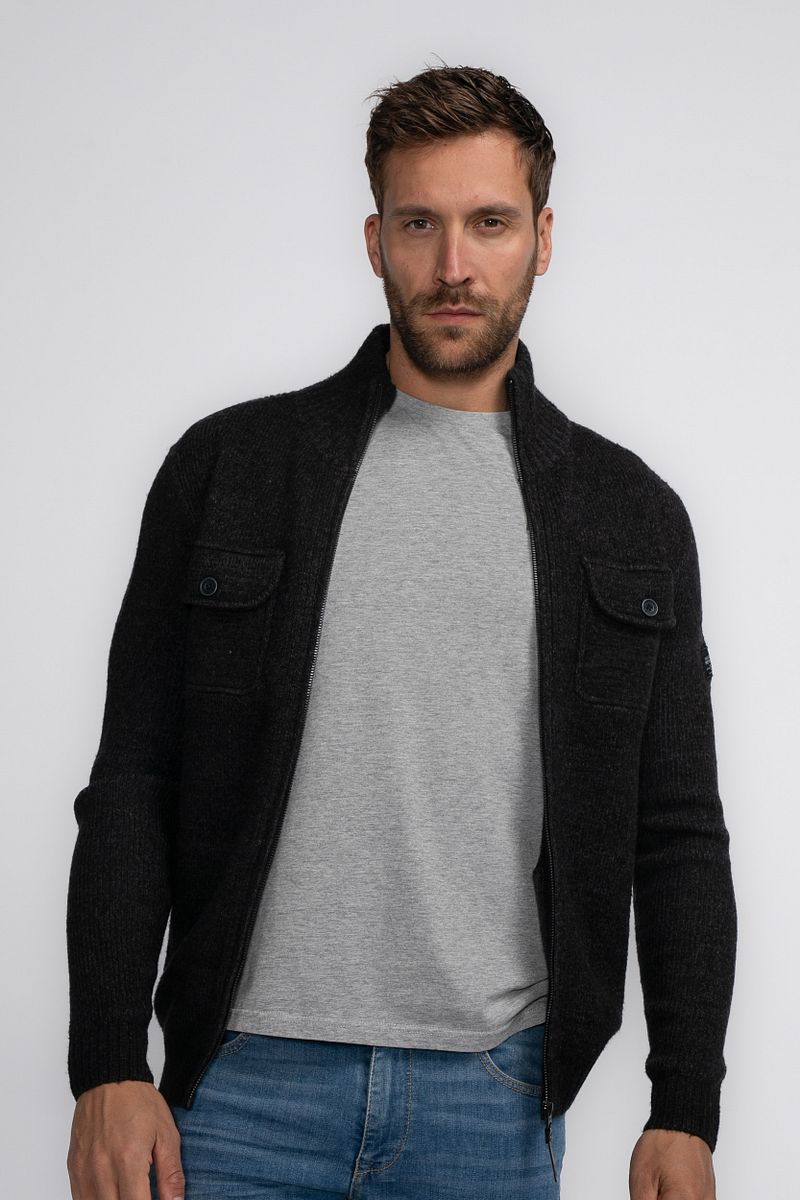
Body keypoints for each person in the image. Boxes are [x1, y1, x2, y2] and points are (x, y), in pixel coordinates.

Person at [66, 64, 736, 1200]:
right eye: (420, 224)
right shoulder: (228, 470)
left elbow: (675, 830)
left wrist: (686, 1107)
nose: (453, 266)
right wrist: (106, 1064)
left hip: (492, 1099)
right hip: (238, 1094)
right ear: (375, 240)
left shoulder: (630, 517)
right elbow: (135, 777)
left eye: (490, 223)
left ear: (543, 239)